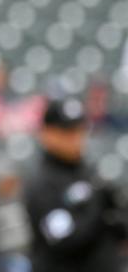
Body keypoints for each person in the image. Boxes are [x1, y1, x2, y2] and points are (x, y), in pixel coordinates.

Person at [24, 97, 127, 272]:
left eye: (79, 130)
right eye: (67, 132)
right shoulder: (41, 183)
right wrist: (98, 207)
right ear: (47, 133)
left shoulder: (90, 172)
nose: (76, 138)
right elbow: (64, 239)